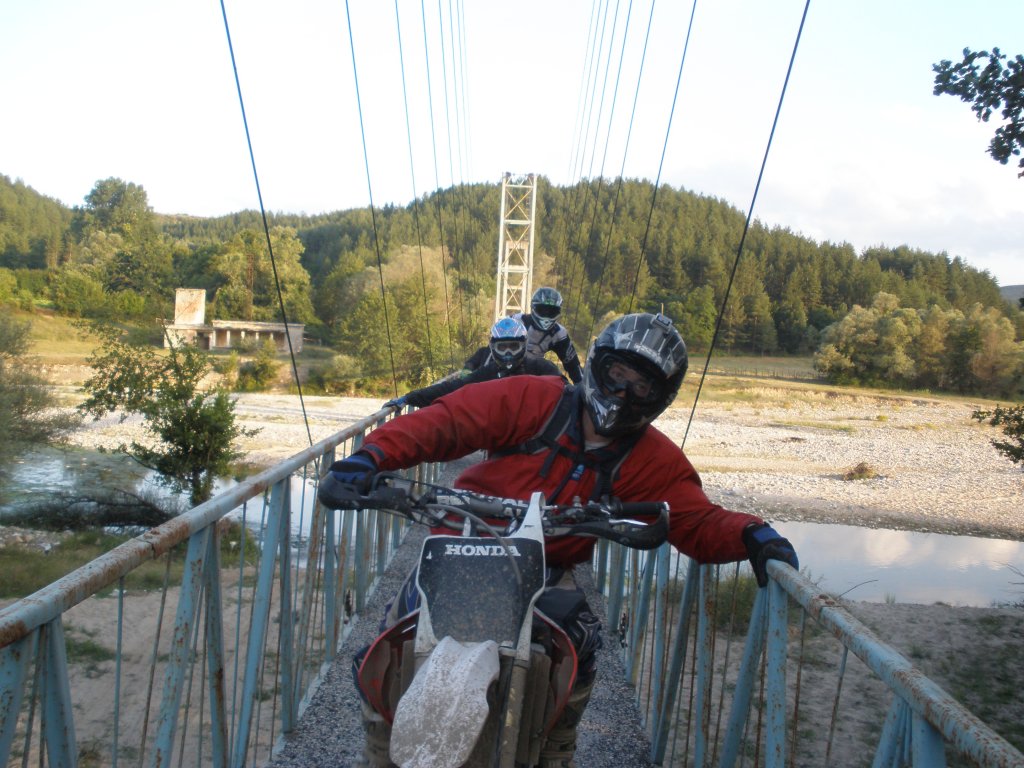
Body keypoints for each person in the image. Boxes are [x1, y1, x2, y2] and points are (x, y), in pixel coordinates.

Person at [320, 311, 798, 768]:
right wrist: (371, 458)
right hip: (464, 538)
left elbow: (694, 517)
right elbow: (448, 421)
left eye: (642, 384)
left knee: (582, 641)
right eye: (618, 373)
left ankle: (558, 743)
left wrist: (752, 533)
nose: (624, 391)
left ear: (660, 396)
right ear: (597, 364)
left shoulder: (650, 457)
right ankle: (379, 743)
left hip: (547, 563)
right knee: (393, 635)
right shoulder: (536, 397)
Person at [383, 316, 562, 410]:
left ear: (523, 346)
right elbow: (453, 387)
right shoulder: (488, 372)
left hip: (536, 436)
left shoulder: (542, 368)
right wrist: (409, 398)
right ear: (493, 348)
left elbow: (565, 394)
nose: (508, 353)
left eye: (513, 347)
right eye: (503, 347)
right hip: (502, 438)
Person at [464, 287, 583, 384]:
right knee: (484, 353)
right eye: (542, 310)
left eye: (551, 311)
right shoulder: (517, 321)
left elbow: (573, 366)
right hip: (504, 367)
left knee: (557, 379)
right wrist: (471, 369)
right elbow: (492, 349)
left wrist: (581, 391)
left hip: (533, 373)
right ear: (533, 308)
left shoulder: (559, 334)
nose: (546, 315)